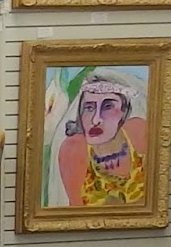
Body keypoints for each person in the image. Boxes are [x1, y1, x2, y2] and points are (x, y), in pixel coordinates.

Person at [56, 73, 146, 206]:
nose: (96, 120)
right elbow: (76, 211)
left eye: (108, 107)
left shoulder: (139, 131)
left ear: (125, 112)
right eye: (89, 108)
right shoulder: (73, 149)